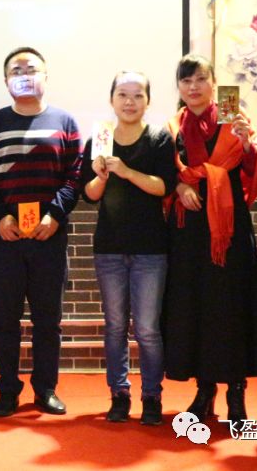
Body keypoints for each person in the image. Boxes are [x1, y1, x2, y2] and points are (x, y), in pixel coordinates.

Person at [0, 46, 82, 417]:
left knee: (47, 321)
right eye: (16, 70)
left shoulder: (65, 121)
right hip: (5, 237)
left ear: (45, 76)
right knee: (5, 320)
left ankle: (45, 389)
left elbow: (75, 175)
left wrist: (55, 216)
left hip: (49, 236)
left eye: (31, 69)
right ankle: (7, 390)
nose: (24, 75)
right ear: (6, 81)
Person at [162, 54, 257, 425]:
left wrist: (247, 144)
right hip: (188, 231)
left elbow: (256, 168)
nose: (193, 87)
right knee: (195, 307)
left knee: (231, 307)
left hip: (229, 228)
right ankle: (204, 390)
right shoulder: (172, 126)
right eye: (186, 80)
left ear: (214, 83)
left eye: (200, 79)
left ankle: (236, 391)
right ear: (179, 87)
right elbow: (163, 173)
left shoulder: (234, 119)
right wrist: (179, 186)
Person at [80, 71, 176, 426]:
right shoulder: (101, 137)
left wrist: (127, 171)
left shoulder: (159, 139)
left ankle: (152, 396)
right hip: (109, 247)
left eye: (137, 95)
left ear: (148, 101)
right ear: (112, 99)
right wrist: (102, 176)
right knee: (115, 326)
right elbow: (89, 195)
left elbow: (164, 187)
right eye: (122, 94)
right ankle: (119, 394)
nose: (130, 102)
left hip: (151, 248)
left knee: (148, 328)